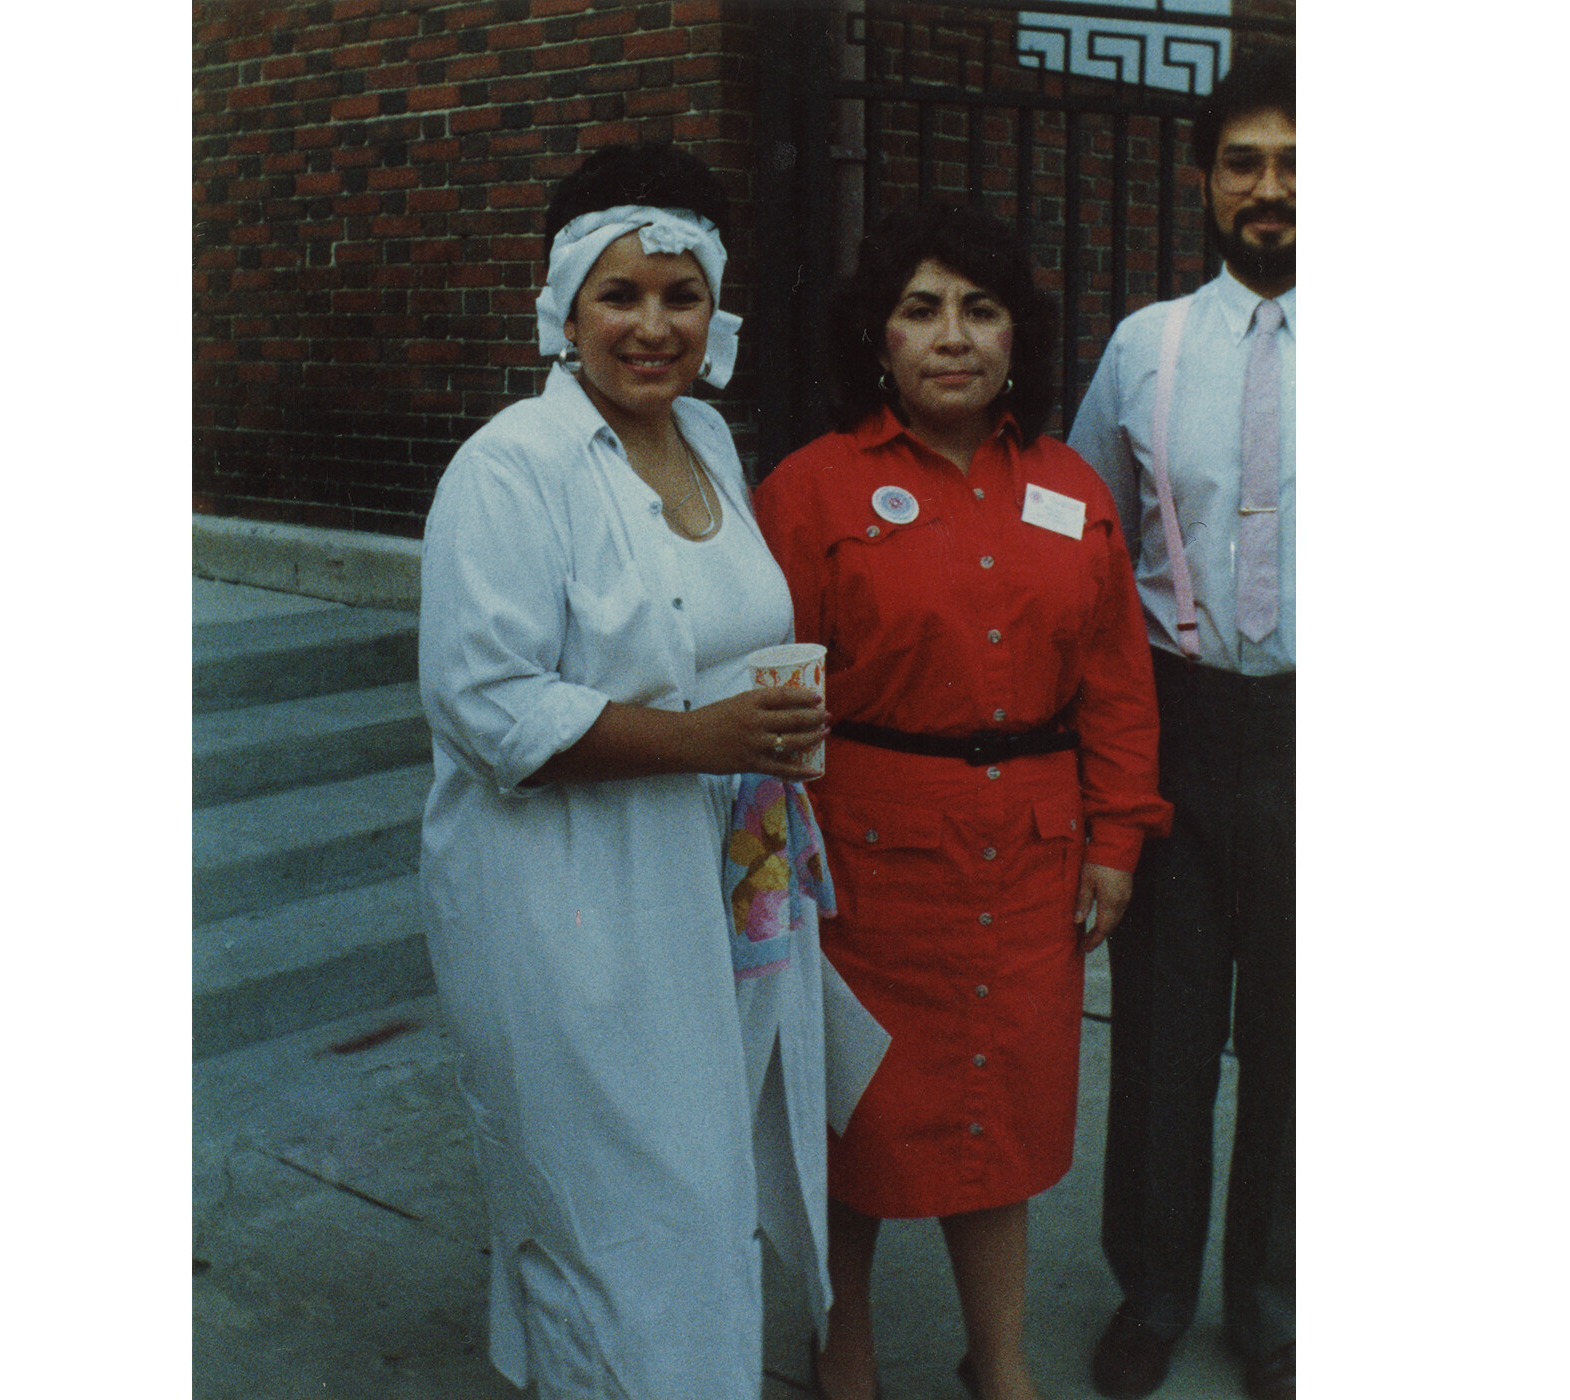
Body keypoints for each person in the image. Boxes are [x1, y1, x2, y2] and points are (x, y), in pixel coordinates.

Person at [418, 142, 836, 1400]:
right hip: (571, 898)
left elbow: (726, 629)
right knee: (620, 1199)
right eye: (621, 294)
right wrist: (702, 741)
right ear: (562, 306)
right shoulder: (512, 465)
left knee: (708, 1185)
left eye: (682, 294)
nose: (654, 326)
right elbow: (487, 702)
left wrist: (764, 729)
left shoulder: (707, 433)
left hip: (723, 872)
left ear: (719, 312)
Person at [755, 205, 1172, 1400]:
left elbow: (1116, 684)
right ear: (877, 337)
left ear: (1015, 339)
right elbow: (771, 695)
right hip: (863, 862)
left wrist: (1119, 840)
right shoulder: (811, 490)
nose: (953, 336)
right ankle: (845, 1343)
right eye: (922, 308)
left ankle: (1001, 1359)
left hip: (1029, 857)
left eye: (979, 309)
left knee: (995, 1113)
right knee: (857, 1122)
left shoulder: (1070, 487)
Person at [1063, 51, 1297, 1400]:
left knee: (1302, 1033)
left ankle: (1272, 1308)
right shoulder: (1139, 347)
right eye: (1248, 162)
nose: (1273, 191)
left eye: (1299, 165)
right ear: (1205, 178)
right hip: (1176, 719)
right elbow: (1090, 547)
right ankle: (1152, 1289)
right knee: (1160, 1029)